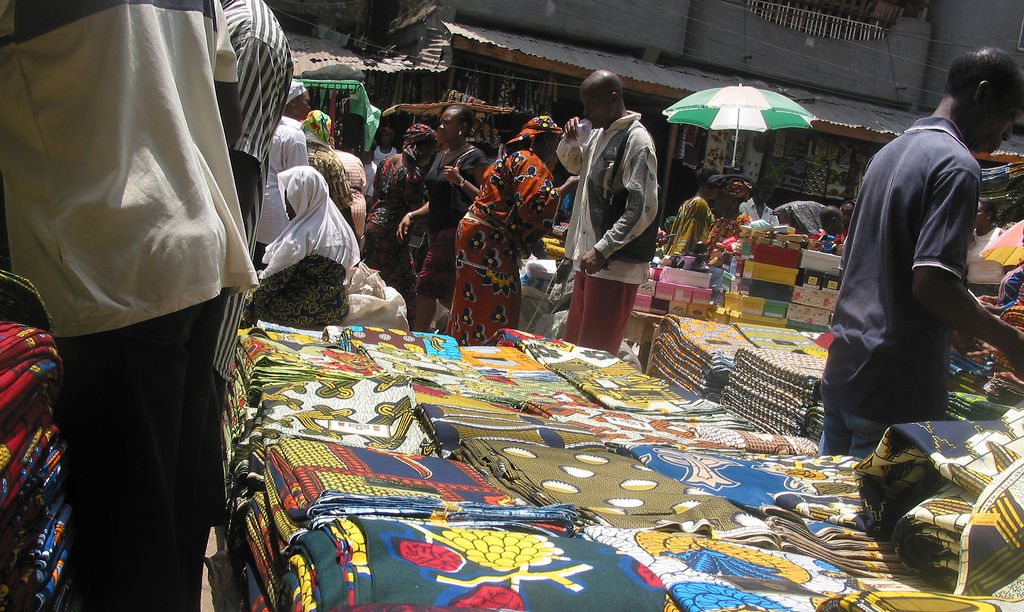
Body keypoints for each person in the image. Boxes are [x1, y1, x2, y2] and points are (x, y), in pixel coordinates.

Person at [0, 1, 257, 609]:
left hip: (105, 265)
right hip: (194, 250)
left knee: (123, 556)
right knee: (164, 533)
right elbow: (227, 105)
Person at [821, 47, 1024, 458]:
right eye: (1009, 117)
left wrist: (963, 319)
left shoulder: (888, 154)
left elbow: (877, 270)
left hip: (846, 369)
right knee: (868, 517)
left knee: (824, 509)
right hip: (895, 388)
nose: (1007, 134)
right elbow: (932, 283)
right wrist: (1011, 341)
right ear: (982, 95)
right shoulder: (957, 165)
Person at [208, 0, 292, 599]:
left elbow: (229, 119)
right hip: (238, 168)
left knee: (207, 340)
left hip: (230, 165)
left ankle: (200, 485)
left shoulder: (245, 26)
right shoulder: (262, 26)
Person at [557, 70, 661, 354]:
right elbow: (573, 165)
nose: (586, 111)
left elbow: (642, 207)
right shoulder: (598, 134)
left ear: (613, 99)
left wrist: (602, 249)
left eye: (591, 104)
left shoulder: (637, 141)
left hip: (612, 266)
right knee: (573, 350)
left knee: (593, 357)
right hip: (588, 261)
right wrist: (571, 138)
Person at [447, 116, 575, 345]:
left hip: (476, 236)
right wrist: (565, 189)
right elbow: (532, 207)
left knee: (469, 300)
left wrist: (552, 232)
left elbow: (511, 208)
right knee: (493, 301)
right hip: (488, 243)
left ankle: (463, 345)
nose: (556, 151)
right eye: (555, 143)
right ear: (544, 141)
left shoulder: (511, 158)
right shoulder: (530, 161)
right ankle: (481, 355)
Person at [401, 105, 489, 332]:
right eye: (440, 122)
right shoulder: (441, 155)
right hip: (438, 231)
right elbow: (437, 200)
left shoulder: (475, 157)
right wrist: (412, 215)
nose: (441, 127)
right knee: (448, 292)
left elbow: (487, 199)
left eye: (447, 122)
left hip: (458, 231)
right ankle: (459, 333)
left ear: (463, 127)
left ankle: (419, 336)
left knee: (427, 285)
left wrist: (460, 181)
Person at [245, 167, 360, 327]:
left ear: (303, 197)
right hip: (334, 311)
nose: (287, 204)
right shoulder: (341, 229)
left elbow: (273, 282)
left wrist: (250, 300)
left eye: (290, 197)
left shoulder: (301, 234)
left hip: (301, 311)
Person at [364, 124, 438, 326]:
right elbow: (415, 210)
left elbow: (376, 194)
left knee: (374, 275)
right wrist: (432, 234)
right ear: (422, 148)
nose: (431, 157)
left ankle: (370, 316)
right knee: (401, 279)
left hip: (374, 224)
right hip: (394, 231)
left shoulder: (387, 162)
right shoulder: (412, 174)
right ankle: (399, 322)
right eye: (431, 151)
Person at [254, 79, 310, 268]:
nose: (308, 107)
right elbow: (299, 182)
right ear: (292, 103)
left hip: (256, 206)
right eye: (306, 102)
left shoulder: (264, 127)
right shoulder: (294, 134)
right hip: (277, 214)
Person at [302, 110, 355, 230]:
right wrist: (352, 231)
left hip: (293, 221)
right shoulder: (330, 159)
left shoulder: (296, 151)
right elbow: (343, 201)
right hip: (321, 225)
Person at [665, 166, 720, 256]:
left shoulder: (687, 203)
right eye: (717, 186)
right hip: (687, 259)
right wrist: (680, 255)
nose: (718, 191)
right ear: (709, 184)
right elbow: (689, 234)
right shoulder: (700, 204)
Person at [705, 174, 754, 258]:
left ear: (733, 201)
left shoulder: (744, 222)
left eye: (721, 197)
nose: (716, 200)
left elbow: (745, 251)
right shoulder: (719, 222)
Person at [334, 127, 369, 243]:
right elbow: (363, 184)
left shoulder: (330, 157)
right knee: (355, 244)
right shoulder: (356, 159)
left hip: (337, 205)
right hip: (358, 206)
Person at [966, 200, 1007, 296]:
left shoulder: (999, 235)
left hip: (993, 290)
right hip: (970, 289)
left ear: (989, 215)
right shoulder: (969, 237)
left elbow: (1008, 267)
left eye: (977, 212)